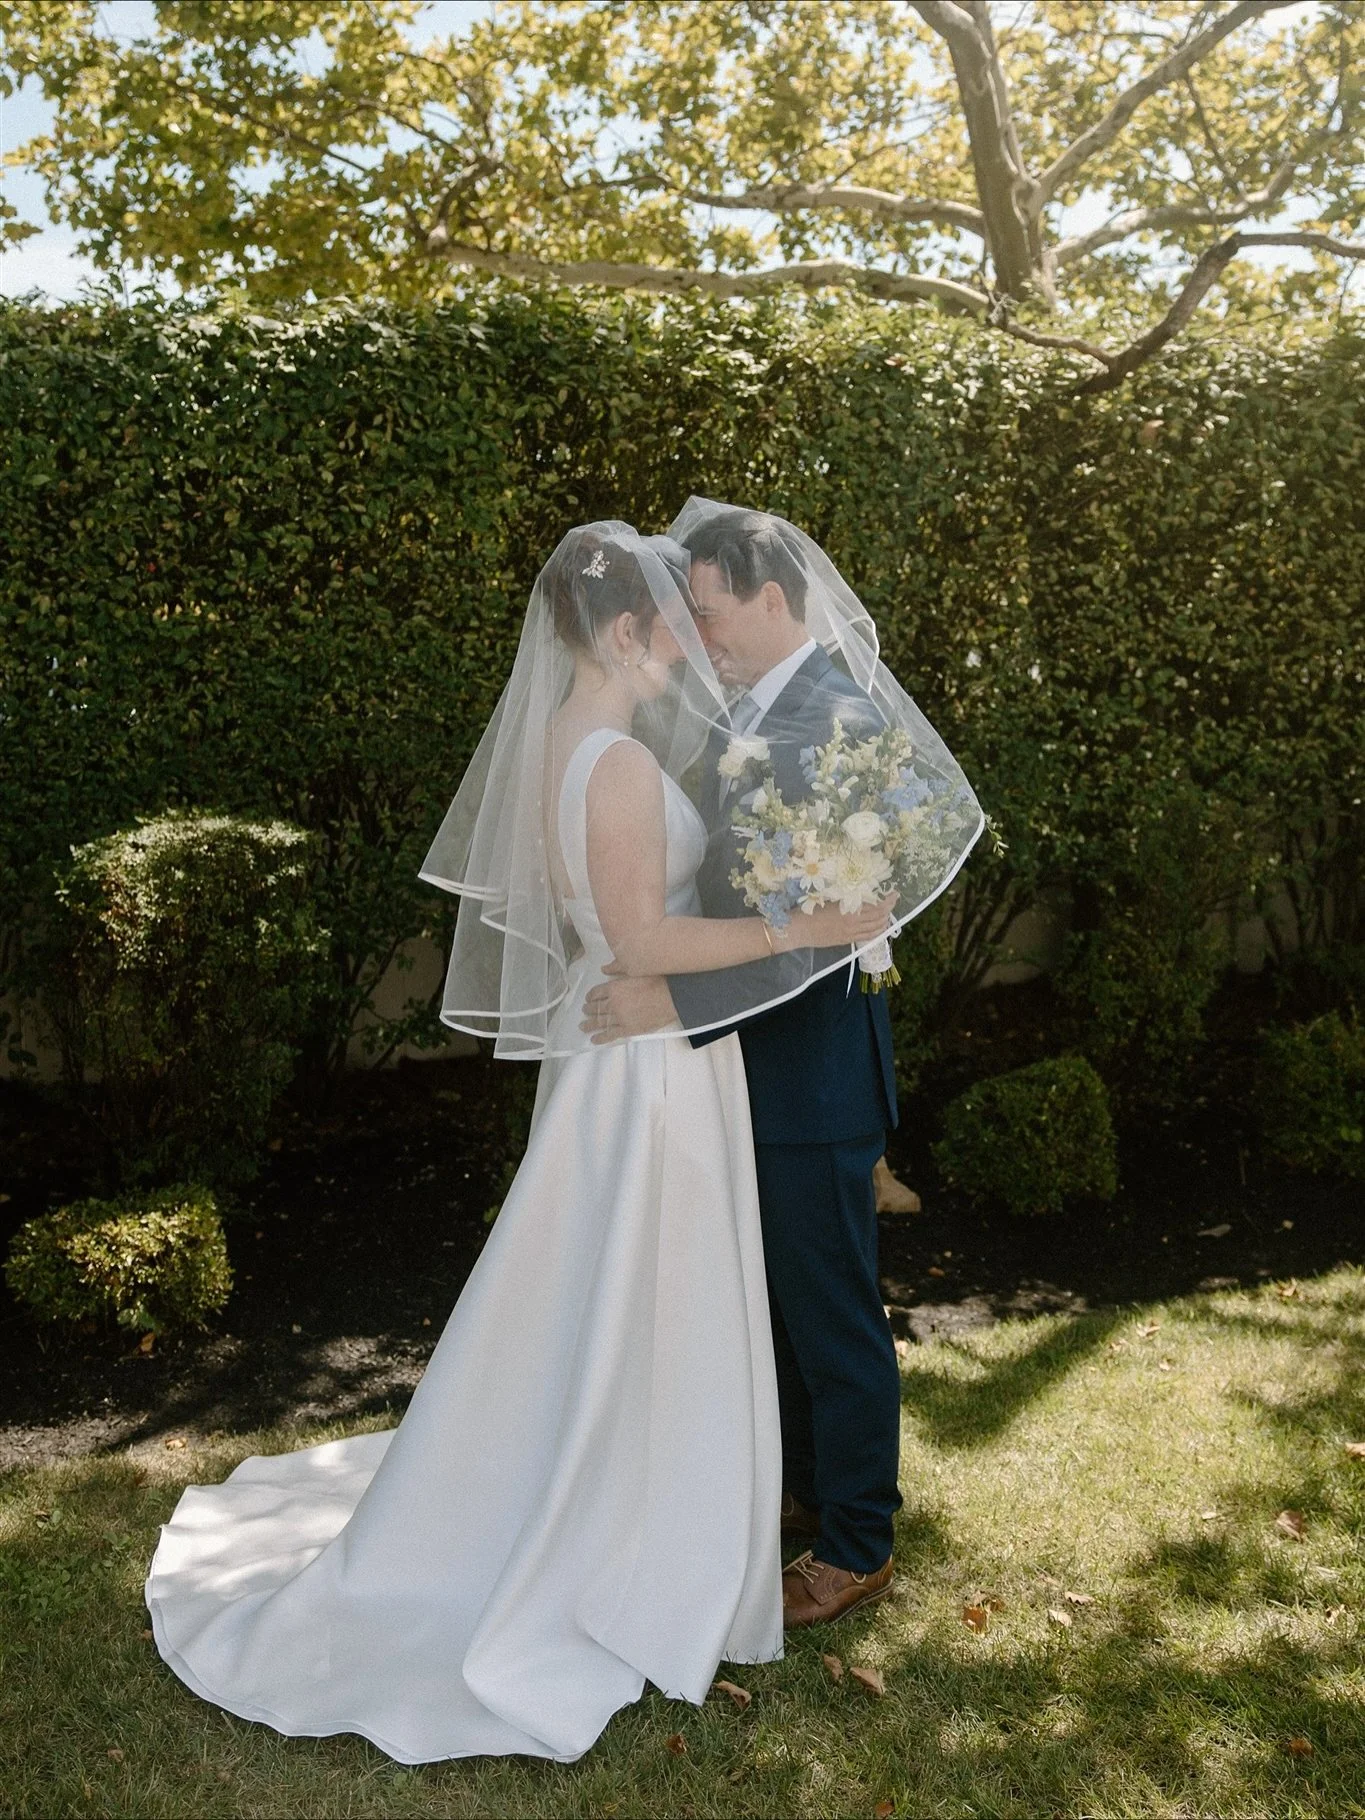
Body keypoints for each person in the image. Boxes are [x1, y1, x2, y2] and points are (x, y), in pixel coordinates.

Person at [144, 524, 894, 1765]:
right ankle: (632, 1506)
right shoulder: (607, 762)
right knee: (638, 1295)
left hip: (657, 1062)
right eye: (671, 618)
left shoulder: (594, 744)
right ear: (624, 631)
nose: (690, 643)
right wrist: (810, 919)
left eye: (701, 611)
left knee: (630, 1294)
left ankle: (700, 1493)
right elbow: (642, 945)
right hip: (649, 1067)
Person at [583, 501, 984, 1628]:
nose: (699, 634)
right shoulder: (753, 710)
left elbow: (820, 926)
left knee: (833, 1307)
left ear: (772, 598)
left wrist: (669, 989)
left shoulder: (832, 722)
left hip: (810, 1069)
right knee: (780, 1298)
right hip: (751, 1064)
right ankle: (808, 1489)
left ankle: (859, 1540)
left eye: (710, 613)